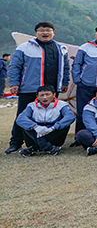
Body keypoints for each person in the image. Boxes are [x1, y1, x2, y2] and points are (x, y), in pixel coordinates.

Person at [6, 21, 70, 155]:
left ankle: (45, 143)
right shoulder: (24, 47)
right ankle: (15, 143)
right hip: (29, 88)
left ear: (53, 32)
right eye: (41, 30)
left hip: (52, 89)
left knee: (52, 116)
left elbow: (65, 67)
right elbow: (14, 66)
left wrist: (64, 82)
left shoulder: (61, 48)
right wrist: (14, 83)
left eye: (48, 30)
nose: (45, 33)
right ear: (35, 33)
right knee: (22, 115)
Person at [15, 85, 75, 156]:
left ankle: (35, 148)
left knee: (65, 124)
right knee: (26, 124)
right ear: (37, 96)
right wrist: (35, 127)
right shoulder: (31, 105)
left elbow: (70, 117)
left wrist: (53, 127)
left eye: (47, 94)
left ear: (54, 94)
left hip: (53, 133)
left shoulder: (62, 105)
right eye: (42, 95)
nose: (45, 97)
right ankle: (48, 147)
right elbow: (20, 118)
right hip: (36, 132)